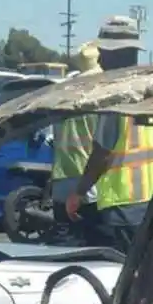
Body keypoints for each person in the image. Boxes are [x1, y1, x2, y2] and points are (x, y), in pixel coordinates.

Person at [62, 15, 153, 252]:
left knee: (121, 274)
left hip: (124, 206)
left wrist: (79, 192)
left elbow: (103, 154)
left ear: (111, 54)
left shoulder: (119, 96)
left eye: (103, 52)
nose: (101, 59)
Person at [49, 42, 103, 233]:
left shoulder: (63, 96)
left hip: (62, 178)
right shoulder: (101, 100)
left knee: (64, 244)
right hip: (88, 181)